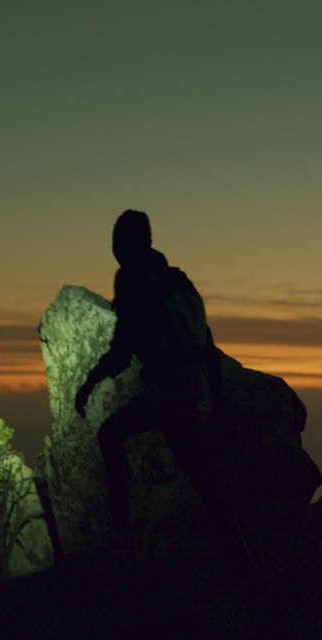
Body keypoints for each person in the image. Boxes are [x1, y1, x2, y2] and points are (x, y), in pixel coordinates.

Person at [73, 210, 226, 547]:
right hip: (191, 386)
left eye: (117, 241)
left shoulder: (133, 278)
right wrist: (215, 395)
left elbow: (122, 349)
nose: (114, 249)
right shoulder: (174, 278)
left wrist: (89, 382)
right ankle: (234, 544)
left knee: (112, 435)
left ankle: (123, 533)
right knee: (198, 468)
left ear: (125, 243)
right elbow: (206, 339)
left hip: (166, 390)